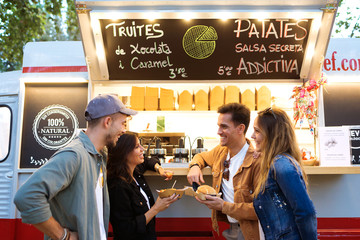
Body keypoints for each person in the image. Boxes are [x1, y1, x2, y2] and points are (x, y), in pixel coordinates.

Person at [14, 94, 137, 240]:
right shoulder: (74, 155)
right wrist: (64, 236)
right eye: (123, 123)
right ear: (108, 122)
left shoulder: (100, 154)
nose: (124, 130)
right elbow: (26, 197)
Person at [187, 103, 261, 240]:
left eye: (224, 126)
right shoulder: (221, 151)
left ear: (240, 128)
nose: (219, 131)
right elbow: (201, 156)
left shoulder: (257, 160)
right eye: (219, 126)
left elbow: (260, 209)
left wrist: (223, 206)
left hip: (250, 230)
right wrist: (195, 166)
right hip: (230, 228)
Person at [251, 107, 317, 240]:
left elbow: (305, 212)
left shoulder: (281, 165)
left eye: (257, 131)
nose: (252, 136)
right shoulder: (274, 163)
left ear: (272, 134)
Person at [107, 132, 178, 240]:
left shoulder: (134, 171)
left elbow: (148, 161)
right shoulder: (118, 186)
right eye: (137, 147)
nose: (142, 149)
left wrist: (160, 169)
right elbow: (125, 230)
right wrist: (156, 208)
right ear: (124, 152)